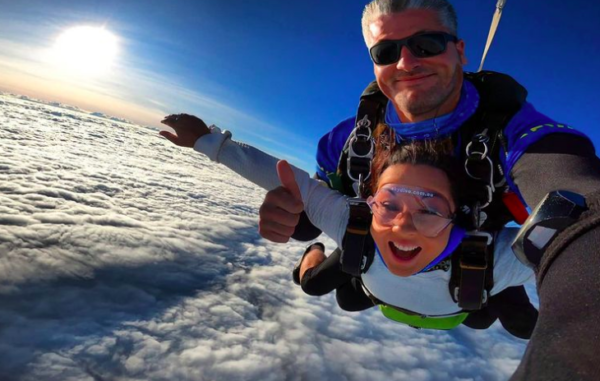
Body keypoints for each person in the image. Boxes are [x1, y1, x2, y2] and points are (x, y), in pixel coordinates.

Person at [255, 0, 600, 380]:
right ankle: (313, 256)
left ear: (461, 51)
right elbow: (318, 202)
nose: (406, 63)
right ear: (374, 63)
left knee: (500, 318)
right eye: (386, 51)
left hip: (473, 261)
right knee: (330, 289)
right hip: (378, 252)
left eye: (427, 44)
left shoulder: (515, 134)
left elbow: (579, 201)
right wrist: (294, 215)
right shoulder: (349, 141)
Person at [159, 114, 537, 337]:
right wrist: (207, 141)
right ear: (370, 203)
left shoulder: (496, 257)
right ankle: (313, 252)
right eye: (389, 204)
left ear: (460, 215)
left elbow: (575, 247)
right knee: (316, 285)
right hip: (382, 282)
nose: (403, 225)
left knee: (516, 323)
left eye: (430, 210)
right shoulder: (352, 222)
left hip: (455, 295)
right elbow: (288, 179)